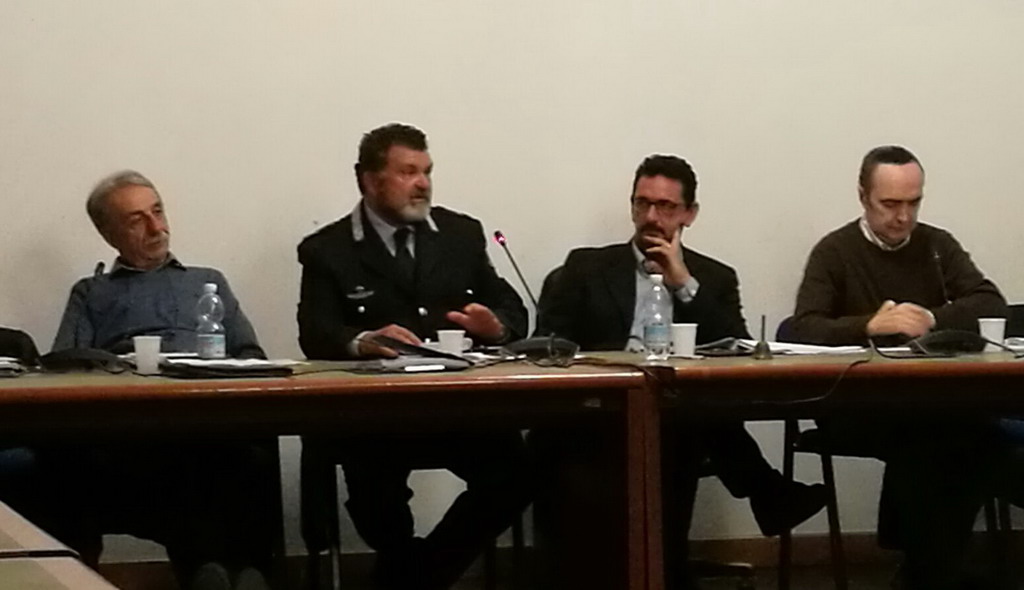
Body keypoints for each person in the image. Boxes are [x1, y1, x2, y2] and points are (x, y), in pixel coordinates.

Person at [536, 154, 825, 589]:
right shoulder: (586, 267)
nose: (652, 217)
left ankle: (668, 568)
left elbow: (738, 348)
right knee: (693, 416)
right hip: (598, 412)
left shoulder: (713, 277)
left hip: (675, 419)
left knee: (688, 412)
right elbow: (549, 340)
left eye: (666, 206)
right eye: (643, 203)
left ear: (690, 213)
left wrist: (684, 284)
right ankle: (766, 491)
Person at [297, 123, 531, 589]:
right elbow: (315, 333)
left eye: (426, 171)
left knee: (518, 473)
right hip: (376, 417)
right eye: (407, 172)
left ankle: (413, 577)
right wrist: (362, 339)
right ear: (369, 180)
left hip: (459, 409)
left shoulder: (460, 235)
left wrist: (496, 327)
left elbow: (513, 312)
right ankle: (408, 568)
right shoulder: (327, 250)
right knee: (375, 495)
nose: (422, 183)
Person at [789, 145, 1008, 589]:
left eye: (913, 202)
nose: (903, 217)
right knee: (939, 434)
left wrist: (931, 318)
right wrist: (868, 325)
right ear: (863, 197)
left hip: (932, 398)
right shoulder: (835, 251)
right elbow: (801, 328)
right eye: (889, 204)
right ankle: (931, 567)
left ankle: (928, 566)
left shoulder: (937, 245)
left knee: (973, 431)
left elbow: (991, 303)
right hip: (859, 404)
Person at [49, 170, 275, 590]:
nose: (156, 228)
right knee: (185, 458)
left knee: (240, 448)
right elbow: (66, 367)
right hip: (133, 426)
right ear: (108, 233)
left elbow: (250, 353)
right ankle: (217, 571)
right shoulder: (92, 292)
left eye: (158, 212)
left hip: (207, 413)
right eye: (137, 220)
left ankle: (227, 572)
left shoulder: (206, 282)